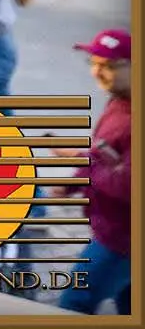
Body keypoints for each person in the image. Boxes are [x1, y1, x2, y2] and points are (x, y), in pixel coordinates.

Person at [59, 28, 133, 314]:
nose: (97, 72)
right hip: (113, 229)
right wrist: (75, 183)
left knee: (74, 304)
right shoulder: (118, 101)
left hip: (121, 240)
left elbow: (129, 184)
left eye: (109, 65)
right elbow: (102, 155)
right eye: (93, 63)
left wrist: (81, 161)